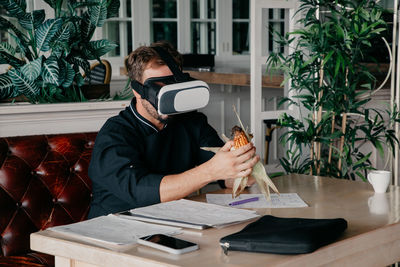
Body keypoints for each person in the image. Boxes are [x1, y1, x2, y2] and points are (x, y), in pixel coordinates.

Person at [88, 41, 259, 218]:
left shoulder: (191, 122)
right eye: (158, 86)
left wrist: (242, 170)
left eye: (173, 84)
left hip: (170, 224)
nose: (168, 94)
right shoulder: (115, 134)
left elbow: (225, 175)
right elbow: (143, 192)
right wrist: (210, 171)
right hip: (114, 230)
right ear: (138, 91)